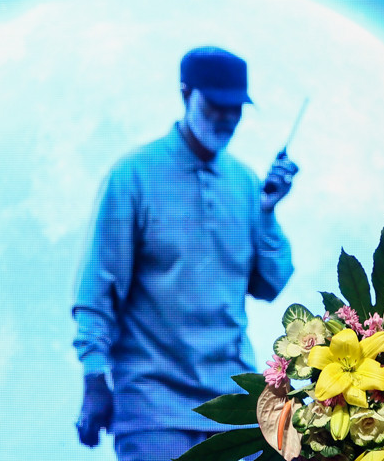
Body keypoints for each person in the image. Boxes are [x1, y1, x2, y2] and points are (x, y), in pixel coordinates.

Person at [72, 47, 299, 461]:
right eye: (215, 105)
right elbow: (97, 290)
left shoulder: (245, 182)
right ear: (185, 94)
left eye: (235, 108)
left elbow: (269, 285)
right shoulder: (133, 176)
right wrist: (93, 377)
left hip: (233, 406)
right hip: (152, 407)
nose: (226, 117)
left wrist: (267, 212)